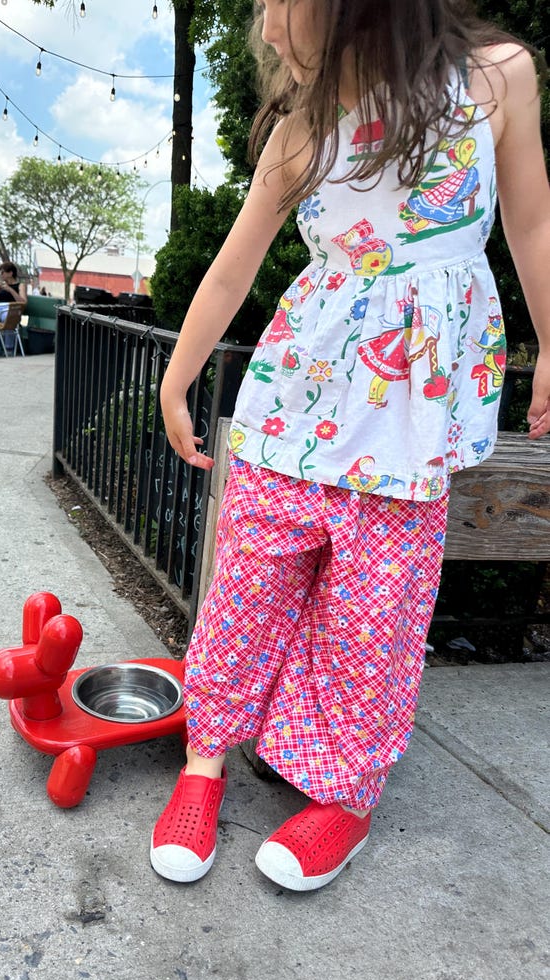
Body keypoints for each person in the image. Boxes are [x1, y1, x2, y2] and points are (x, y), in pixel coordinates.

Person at [151, 0, 550, 892]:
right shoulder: (303, 133)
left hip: (408, 425)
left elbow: (531, 223)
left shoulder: (495, 81)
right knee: (247, 586)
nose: (262, 23)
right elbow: (233, 265)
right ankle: (204, 762)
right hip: (295, 403)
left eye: (274, 1)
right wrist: (175, 378)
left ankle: (345, 795)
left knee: (375, 618)